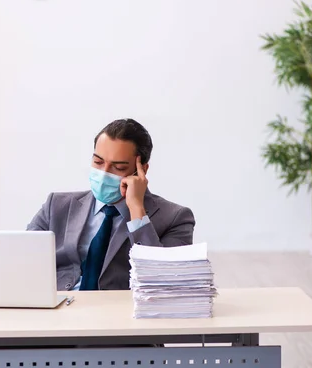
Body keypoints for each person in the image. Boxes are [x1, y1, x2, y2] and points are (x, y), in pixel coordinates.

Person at [27, 118, 195, 291]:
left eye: (119, 167)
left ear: (142, 170)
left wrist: (137, 209)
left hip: (121, 312)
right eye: (98, 162)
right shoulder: (56, 206)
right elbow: (21, 258)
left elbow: (164, 281)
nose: (104, 173)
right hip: (60, 307)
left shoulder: (176, 218)